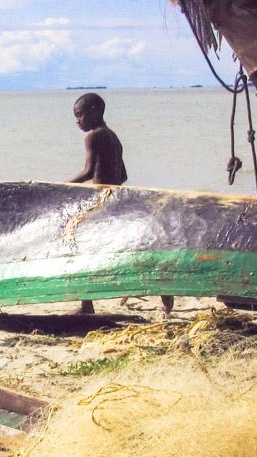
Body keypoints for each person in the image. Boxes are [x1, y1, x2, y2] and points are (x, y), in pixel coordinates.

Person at [66, 93, 173, 316]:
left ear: (95, 111)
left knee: (82, 248)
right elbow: (122, 174)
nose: (77, 120)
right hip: (118, 200)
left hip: (104, 203)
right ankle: (166, 295)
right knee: (136, 249)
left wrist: (61, 185)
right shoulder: (113, 136)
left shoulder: (94, 136)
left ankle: (87, 306)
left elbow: (87, 172)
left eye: (80, 115)